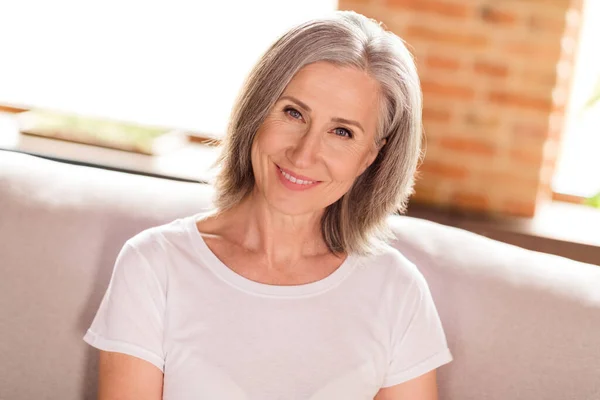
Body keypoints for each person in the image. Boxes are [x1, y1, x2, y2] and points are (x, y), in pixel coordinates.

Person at [83, 10, 452, 400]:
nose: (304, 153)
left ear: (371, 157)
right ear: (257, 112)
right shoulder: (154, 265)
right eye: (294, 113)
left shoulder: (397, 292)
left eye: (342, 131)